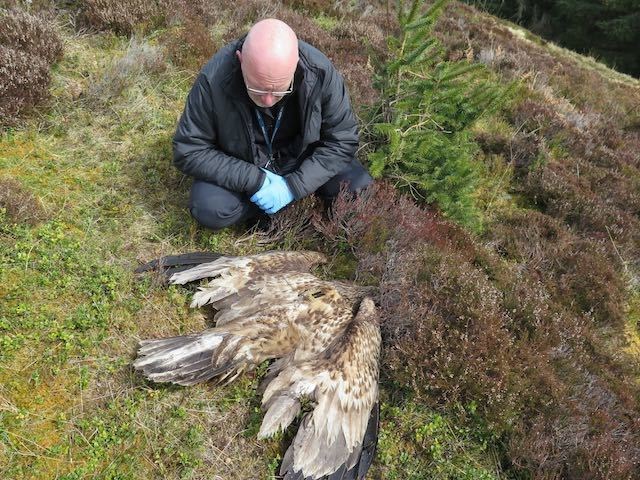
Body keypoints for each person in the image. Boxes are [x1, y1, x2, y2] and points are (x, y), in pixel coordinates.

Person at [172, 18, 373, 230]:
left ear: (295, 65)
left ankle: (285, 202)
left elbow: (342, 140)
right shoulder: (213, 80)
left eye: (279, 90)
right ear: (241, 60)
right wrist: (253, 179)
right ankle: (291, 205)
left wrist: (293, 187)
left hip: (302, 158)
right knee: (209, 208)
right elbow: (189, 150)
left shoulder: (321, 73)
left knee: (360, 191)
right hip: (242, 162)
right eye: (257, 89)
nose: (268, 100)